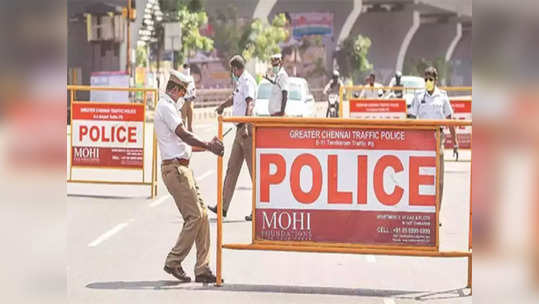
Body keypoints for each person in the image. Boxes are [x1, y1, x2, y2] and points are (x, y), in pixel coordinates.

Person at [154, 70, 224, 283]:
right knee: (194, 216)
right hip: (175, 171)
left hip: (182, 168)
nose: (183, 97)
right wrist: (208, 145)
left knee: (202, 215)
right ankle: (173, 261)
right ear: (174, 89)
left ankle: (202, 268)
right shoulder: (166, 107)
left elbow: (183, 144)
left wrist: (208, 147)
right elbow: (183, 134)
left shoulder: (170, 108)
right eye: (182, 93)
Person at [208, 55, 257, 221]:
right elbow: (235, 99)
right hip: (239, 130)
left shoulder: (248, 81)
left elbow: (250, 103)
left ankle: (258, 209)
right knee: (232, 168)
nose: (232, 73)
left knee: (254, 172)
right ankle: (222, 206)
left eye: (232, 70)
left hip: (246, 130)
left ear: (236, 69)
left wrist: (245, 124)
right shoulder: (240, 82)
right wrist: (222, 106)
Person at [408, 66, 458, 210]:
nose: (428, 81)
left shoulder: (442, 96)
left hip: (438, 139)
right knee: (420, 177)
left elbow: (450, 119)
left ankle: (437, 211)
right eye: (426, 79)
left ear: (436, 80)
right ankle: (424, 211)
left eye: (431, 79)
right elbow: (411, 118)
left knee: (439, 179)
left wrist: (455, 142)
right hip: (422, 139)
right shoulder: (418, 96)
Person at [180, 63, 196, 132]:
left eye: (187, 68)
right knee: (183, 123)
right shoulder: (181, 78)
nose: (186, 69)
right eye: (185, 68)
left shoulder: (191, 78)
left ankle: (191, 140)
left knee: (190, 125)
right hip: (183, 101)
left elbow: (193, 88)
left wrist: (193, 95)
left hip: (190, 101)